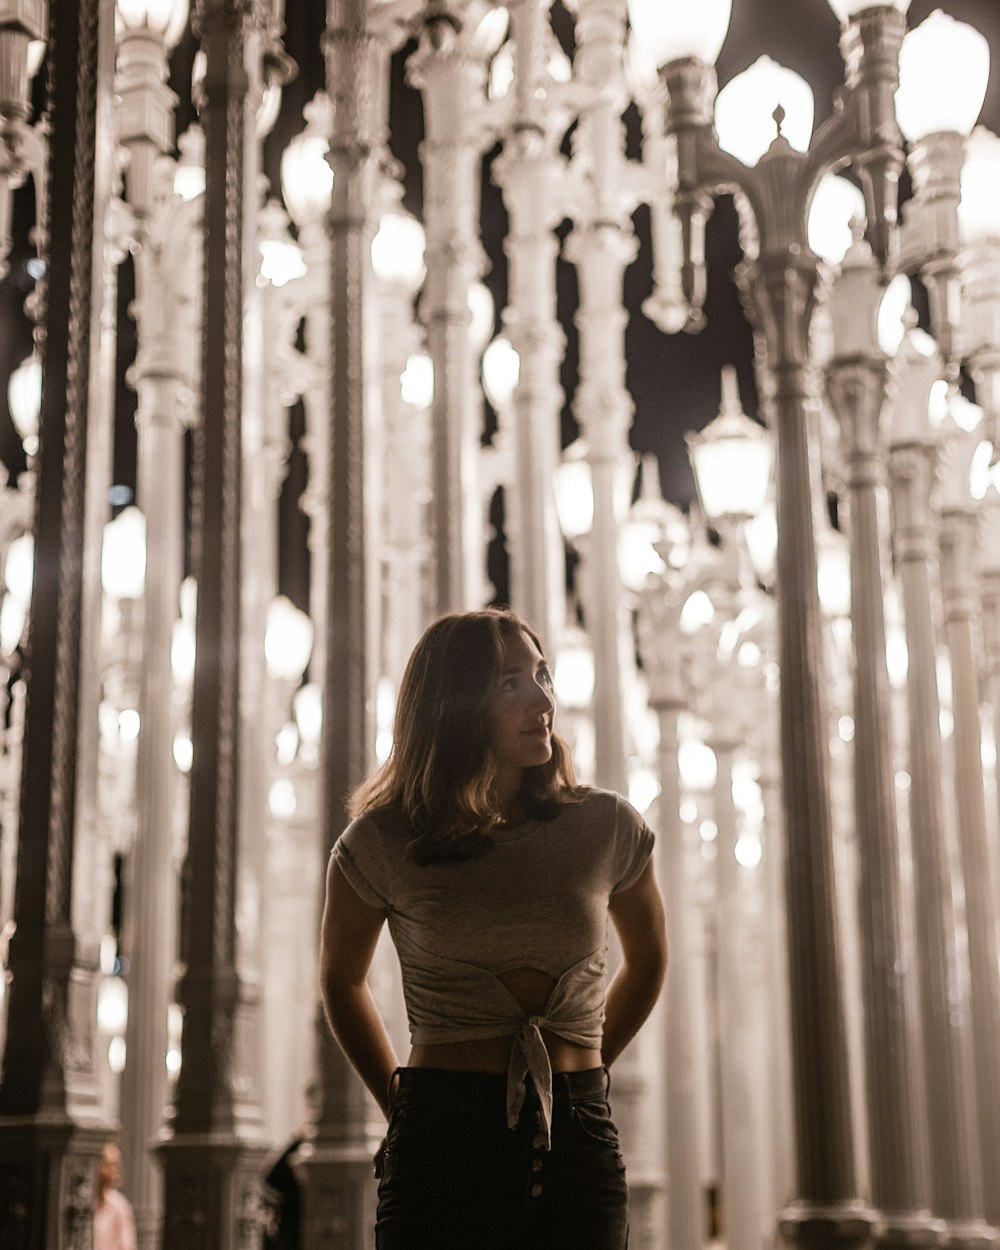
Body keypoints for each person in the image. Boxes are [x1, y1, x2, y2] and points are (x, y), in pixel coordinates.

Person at [321, 609, 667, 1249]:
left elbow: (648, 959)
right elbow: (341, 982)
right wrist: (399, 1108)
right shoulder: (381, 839)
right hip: (440, 1135)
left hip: (578, 1130)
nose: (543, 699)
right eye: (511, 682)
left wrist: (586, 1070)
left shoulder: (605, 824)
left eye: (541, 675)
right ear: (453, 703)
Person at [93, 1142, 137, 1250]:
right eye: (107, 1165)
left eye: (115, 1165)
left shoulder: (119, 1205)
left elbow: (127, 1245)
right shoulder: (85, 1201)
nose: (112, 1170)